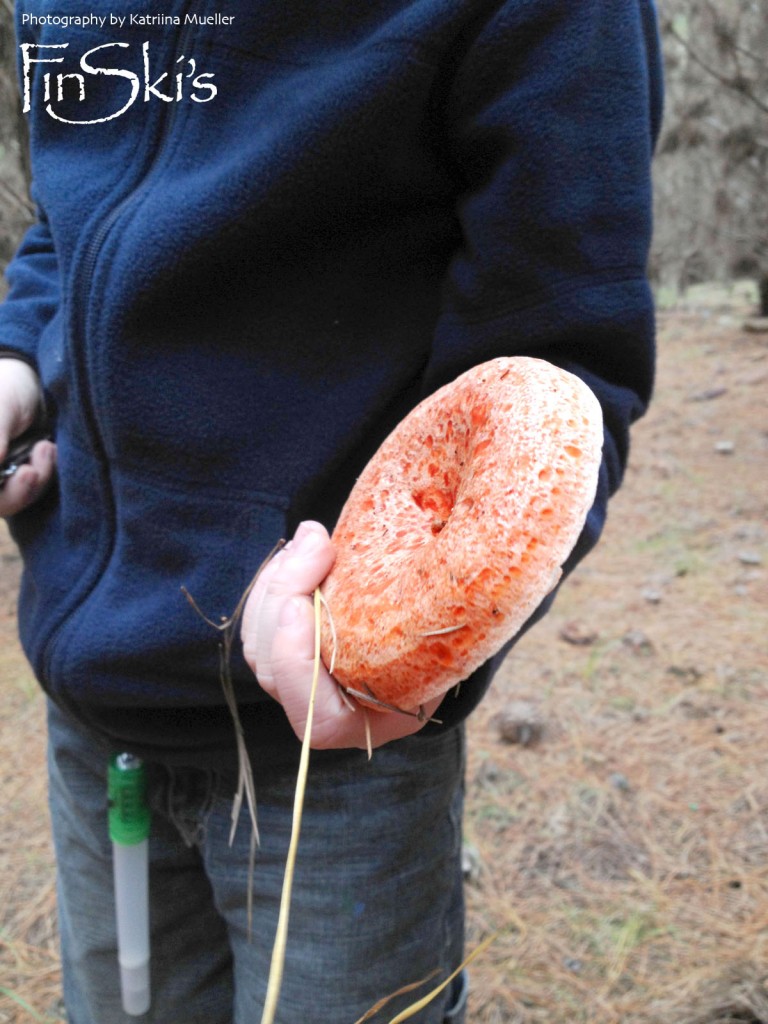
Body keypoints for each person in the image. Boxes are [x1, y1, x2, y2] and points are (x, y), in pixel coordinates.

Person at [0, 1, 663, 1021]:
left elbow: (554, 369)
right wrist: (16, 361)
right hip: (92, 703)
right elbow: (69, 224)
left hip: (332, 747)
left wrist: (394, 648)